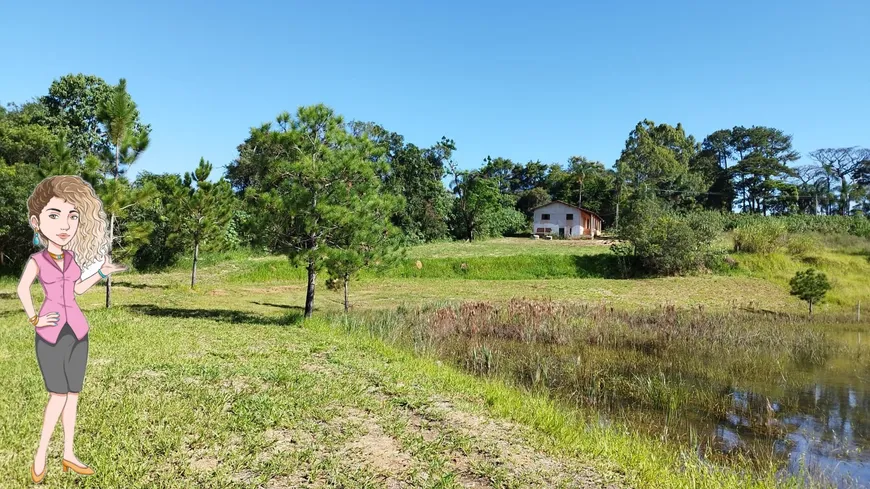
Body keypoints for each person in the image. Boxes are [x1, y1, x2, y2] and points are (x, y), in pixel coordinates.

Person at [16, 175, 126, 484]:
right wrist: (34, 318)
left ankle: (68, 454)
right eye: (55, 215)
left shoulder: (72, 258)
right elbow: (23, 289)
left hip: (78, 333)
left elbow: (76, 289)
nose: (65, 224)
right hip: (50, 335)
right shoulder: (37, 260)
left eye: (72, 216)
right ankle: (40, 454)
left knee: (73, 395)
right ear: (37, 221)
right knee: (58, 396)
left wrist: (101, 272)